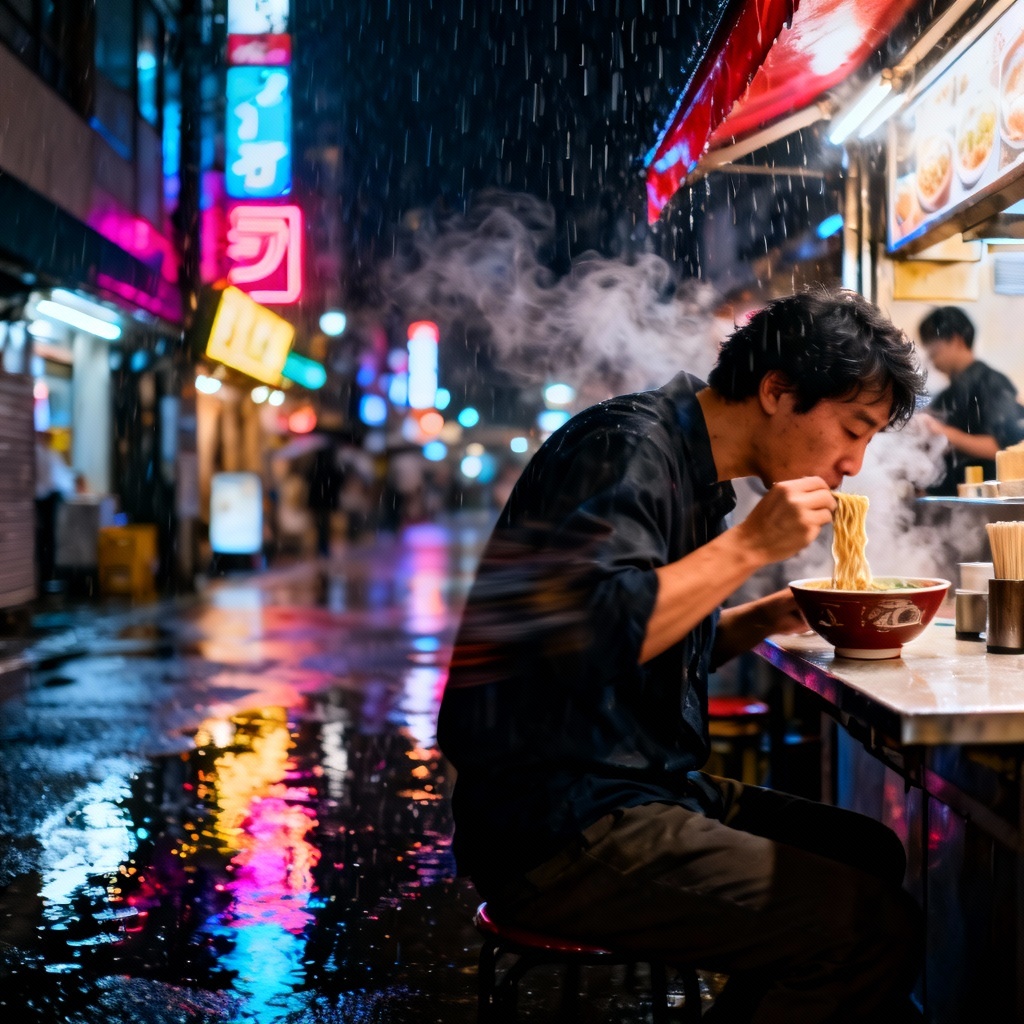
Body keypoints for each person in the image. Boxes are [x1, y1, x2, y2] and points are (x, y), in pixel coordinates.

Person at [437, 289, 927, 1023]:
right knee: (867, 929)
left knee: (869, 854)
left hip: (633, 789)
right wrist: (751, 547)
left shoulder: (690, 472)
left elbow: (662, 642)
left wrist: (769, 613)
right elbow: (597, 636)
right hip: (559, 823)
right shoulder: (625, 449)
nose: (853, 464)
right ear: (777, 390)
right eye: (852, 430)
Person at [917, 305, 1024, 494]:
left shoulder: (991, 383)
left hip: (985, 504)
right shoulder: (946, 395)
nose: (931, 358)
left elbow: (1007, 449)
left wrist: (945, 433)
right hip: (951, 505)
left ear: (956, 340)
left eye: (934, 349)